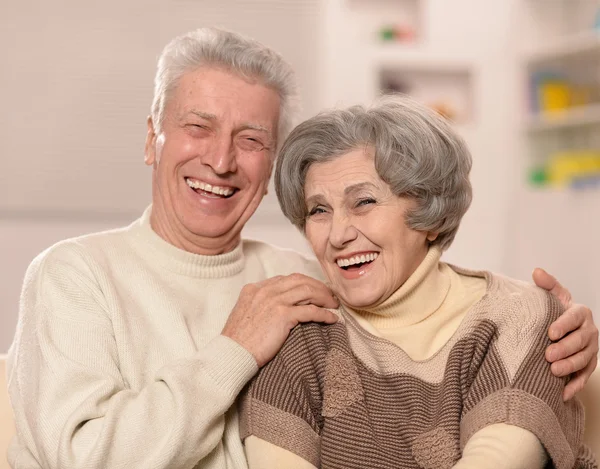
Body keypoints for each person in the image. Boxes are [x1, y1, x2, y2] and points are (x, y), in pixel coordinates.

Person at [5, 28, 598, 469]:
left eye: (252, 139)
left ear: (272, 165)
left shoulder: (305, 279)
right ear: (151, 139)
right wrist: (233, 349)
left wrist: (554, 330)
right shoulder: (75, 274)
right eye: (198, 127)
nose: (220, 159)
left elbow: (426, 307)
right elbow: (81, 458)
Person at [240, 95, 598, 469]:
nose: (338, 234)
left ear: (429, 212)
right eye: (319, 210)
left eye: (363, 202)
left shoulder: (518, 314)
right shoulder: (297, 337)